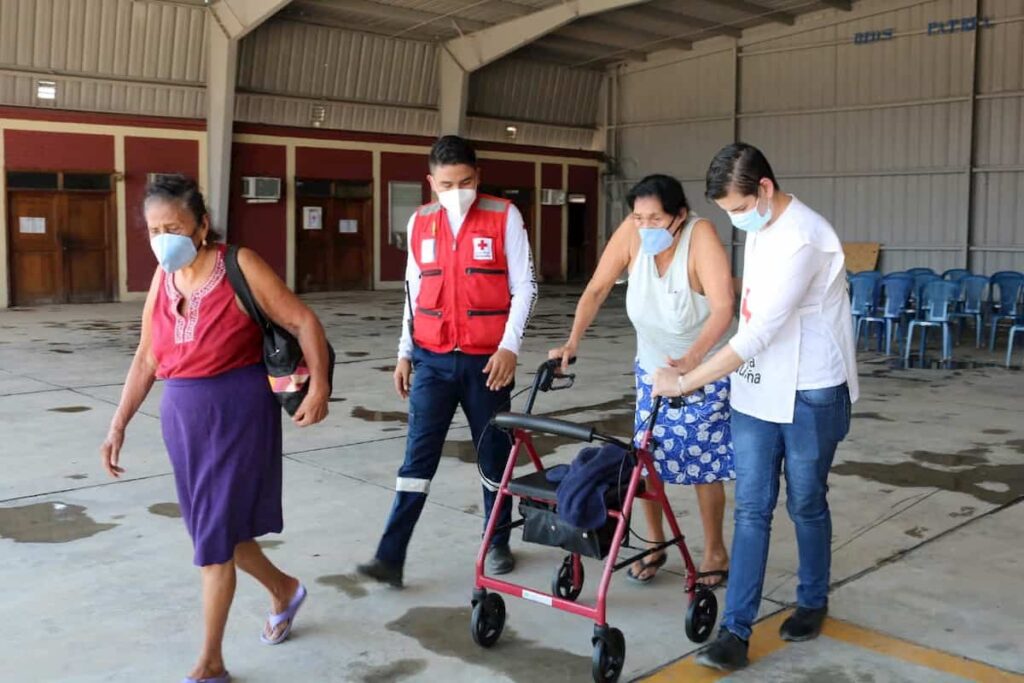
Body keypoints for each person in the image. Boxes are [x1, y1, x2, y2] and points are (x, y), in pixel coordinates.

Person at [99, 175, 332, 683]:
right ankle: (285, 590)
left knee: (212, 541)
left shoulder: (237, 264)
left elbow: (302, 321)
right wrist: (118, 424)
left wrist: (319, 389)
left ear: (202, 225)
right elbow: (146, 357)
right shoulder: (164, 278)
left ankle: (210, 665)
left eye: (175, 227)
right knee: (215, 530)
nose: (165, 238)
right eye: (155, 230)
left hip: (238, 413)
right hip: (182, 419)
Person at [651, 144, 858, 671]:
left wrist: (687, 382)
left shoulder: (804, 237)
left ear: (763, 189)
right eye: (728, 214)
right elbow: (746, 316)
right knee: (751, 508)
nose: (736, 221)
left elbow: (762, 331)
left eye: (739, 209)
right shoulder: (761, 229)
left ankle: (812, 600)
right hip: (758, 389)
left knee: (806, 501)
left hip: (811, 389)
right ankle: (735, 631)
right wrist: (693, 358)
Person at [357, 135, 538, 587]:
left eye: (465, 181)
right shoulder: (421, 222)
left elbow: (526, 287)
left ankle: (496, 541)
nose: (456, 190)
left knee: (493, 455)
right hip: (432, 360)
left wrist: (509, 347)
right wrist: (403, 352)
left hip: (487, 363)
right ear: (430, 183)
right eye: (445, 184)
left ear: (479, 177)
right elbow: (413, 293)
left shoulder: (504, 216)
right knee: (416, 458)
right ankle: (390, 556)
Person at [550, 174, 735, 586]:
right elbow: (597, 289)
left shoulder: (699, 237)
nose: (646, 226)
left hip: (704, 368)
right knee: (645, 457)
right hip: (652, 369)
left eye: (655, 218)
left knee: (702, 462)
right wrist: (572, 342)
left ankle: (715, 551)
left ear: (679, 216)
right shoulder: (633, 234)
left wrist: (691, 361)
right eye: (639, 217)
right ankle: (655, 541)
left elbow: (723, 308)